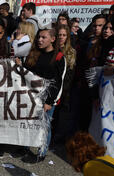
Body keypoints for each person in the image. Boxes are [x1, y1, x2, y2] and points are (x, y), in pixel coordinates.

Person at [21, 27, 66, 163]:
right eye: (39, 37)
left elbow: (58, 82)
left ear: (52, 39)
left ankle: (41, 152)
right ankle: (26, 147)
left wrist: (49, 101)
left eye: (44, 37)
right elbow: (29, 73)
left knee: (44, 126)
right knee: (30, 122)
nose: (40, 40)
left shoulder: (58, 57)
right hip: (33, 96)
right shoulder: (35, 54)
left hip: (47, 98)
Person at [52, 24, 76, 144]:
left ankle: (52, 138)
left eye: (64, 35)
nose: (61, 37)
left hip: (63, 88)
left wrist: (64, 89)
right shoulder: (51, 48)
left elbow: (70, 74)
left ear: (67, 37)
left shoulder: (71, 52)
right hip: (50, 85)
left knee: (57, 115)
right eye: (59, 35)